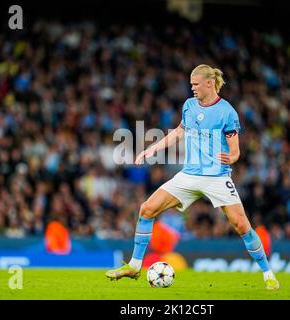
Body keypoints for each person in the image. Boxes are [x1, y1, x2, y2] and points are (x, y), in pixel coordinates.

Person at [105, 64, 280, 290]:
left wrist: (232, 157)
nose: (192, 88)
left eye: (195, 84)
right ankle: (135, 266)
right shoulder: (189, 105)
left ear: (209, 83)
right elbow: (178, 132)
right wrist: (151, 150)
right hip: (189, 175)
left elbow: (235, 150)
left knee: (241, 225)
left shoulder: (226, 111)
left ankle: (268, 274)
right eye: (191, 84)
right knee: (147, 209)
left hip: (216, 176)